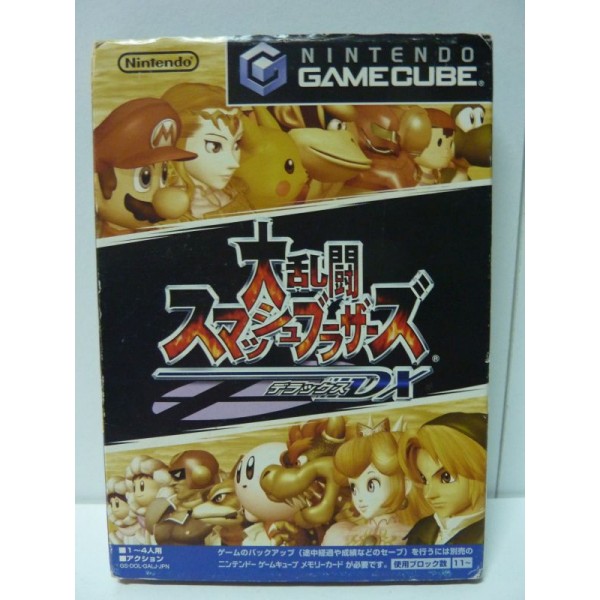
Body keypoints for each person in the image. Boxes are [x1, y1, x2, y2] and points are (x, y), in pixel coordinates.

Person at [160, 83, 249, 218]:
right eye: (215, 146)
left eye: (236, 144)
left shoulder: (234, 189)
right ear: (175, 141)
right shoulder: (168, 213)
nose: (234, 163)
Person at [322, 418, 413, 546]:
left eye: (371, 486)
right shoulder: (340, 534)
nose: (359, 498)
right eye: (354, 488)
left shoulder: (413, 535)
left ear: (405, 486)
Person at [403, 412, 487, 545]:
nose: (428, 494)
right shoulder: (422, 529)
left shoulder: (490, 533)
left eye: (446, 477)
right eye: (424, 480)